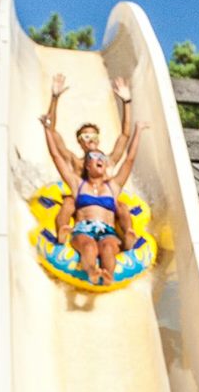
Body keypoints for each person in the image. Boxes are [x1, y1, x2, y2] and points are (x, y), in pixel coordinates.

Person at [39, 75, 147, 283]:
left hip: (106, 211)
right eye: (85, 137)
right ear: (80, 142)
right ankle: (63, 229)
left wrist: (127, 102)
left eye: (93, 136)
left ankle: (128, 234)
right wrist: (54, 97)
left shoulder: (108, 163)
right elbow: (53, 138)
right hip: (81, 202)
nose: (90, 141)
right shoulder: (75, 161)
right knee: (69, 202)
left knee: (121, 206)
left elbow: (125, 144)